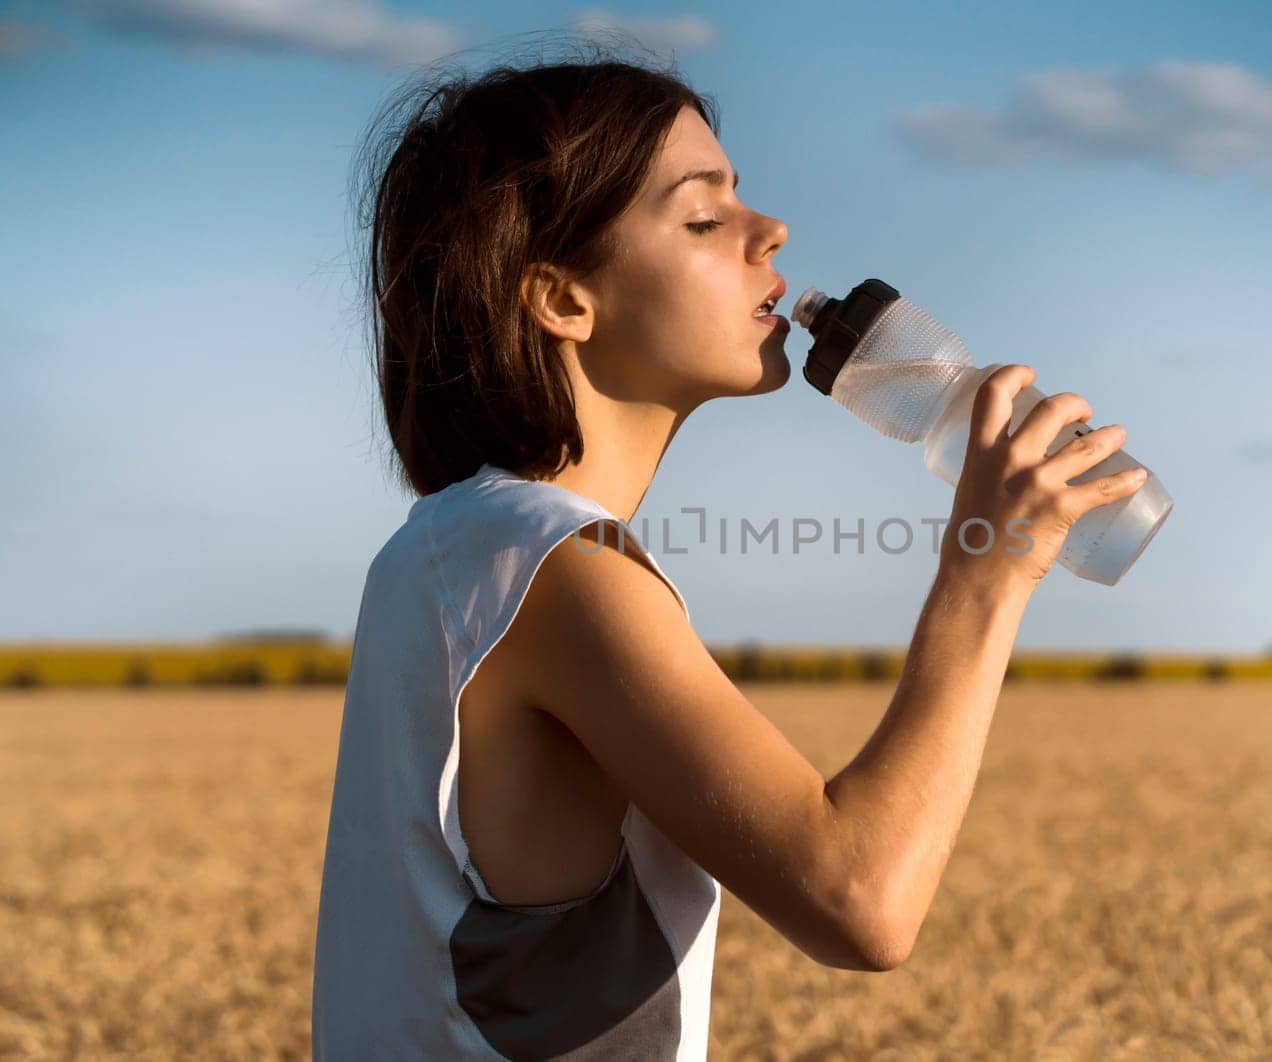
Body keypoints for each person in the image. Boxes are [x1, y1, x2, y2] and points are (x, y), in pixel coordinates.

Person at [311, 46, 1148, 1061]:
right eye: (704, 218)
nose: (771, 233)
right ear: (564, 299)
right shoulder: (557, 573)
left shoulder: (444, 549)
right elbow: (860, 899)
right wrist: (991, 566)